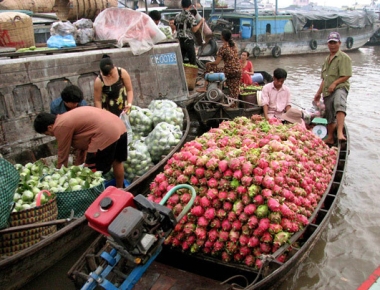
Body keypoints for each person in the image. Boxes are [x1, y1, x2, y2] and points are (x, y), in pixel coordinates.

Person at [33, 107, 128, 188]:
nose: (51, 135)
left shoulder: (60, 126)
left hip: (106, 133)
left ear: (49, 127)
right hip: (119, 126)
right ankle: (120, 189)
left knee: (92, 173)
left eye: (47, 134)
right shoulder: (67, 118)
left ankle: (95, 198)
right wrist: (79, 164)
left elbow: (63, 154)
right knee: (117, 161)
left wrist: (58, 176)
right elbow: (81, 147)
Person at [314, 31, 351, 144]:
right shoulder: (326, 60)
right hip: (327, 91)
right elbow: (324, 79)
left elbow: (347, 75)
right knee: (329, 114)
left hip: (339, 88)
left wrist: (335, 83)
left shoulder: (344, 57)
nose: (332, 45)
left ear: (339, 43)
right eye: (330, 43)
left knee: (339, 104)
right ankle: (330, 137)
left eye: (334, 42)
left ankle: (339, 132)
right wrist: (318, 93)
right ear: (327, 44)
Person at [196, 29, 241, 107]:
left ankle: (204, 87)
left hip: (229, 71)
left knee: (210, 66)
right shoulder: (234, 46)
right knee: (234, 90)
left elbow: (216, 63)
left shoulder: (223, 48)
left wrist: (208, 63)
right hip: (238, 71)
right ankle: (234, 105)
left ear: (222, 37)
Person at [174, 0, 205, 65]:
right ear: (190, 6)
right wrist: (201, 22)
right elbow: (194, 30)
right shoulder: (190, 17)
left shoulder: (177, 16)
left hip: (179, 41)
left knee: (180, 61)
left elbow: (175, 28)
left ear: (181, 5)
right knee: (192, 61)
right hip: (188, 40)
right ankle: (192, 74)